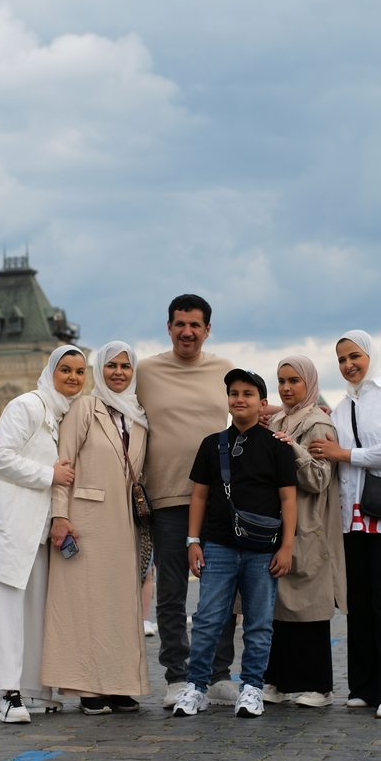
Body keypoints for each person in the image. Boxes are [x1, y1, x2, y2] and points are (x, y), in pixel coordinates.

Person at [0, 345, 84, 723]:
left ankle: (35, 691)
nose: (72, 377)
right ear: (50, 372)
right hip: (4, 528)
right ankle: (7, 695)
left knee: (35, 610)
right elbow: (0, 456)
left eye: (79, 371)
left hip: (34, 532)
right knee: (3, 612)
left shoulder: (61, 414)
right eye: (65, 370)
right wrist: (49, 475)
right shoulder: (27, 405)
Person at [310, 331, 381, 719]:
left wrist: (343, 453)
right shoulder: (343, 406)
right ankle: (364, 686)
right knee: (358, 604)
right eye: (341, 359)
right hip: (355, 519)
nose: (348, 365)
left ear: (370, 356)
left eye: (354, 356)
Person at [173, 368, 298, 719]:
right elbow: (198, 496)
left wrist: (286, 547)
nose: (239, 399)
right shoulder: (212, 444)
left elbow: (289, 500)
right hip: (218, 547)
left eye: (247, 393)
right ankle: (196, 687)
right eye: (233, 393)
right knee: (208, 619)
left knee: (258, 622)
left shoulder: (277, 446)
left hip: (264, 551)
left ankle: (252, 689)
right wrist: (193, 541)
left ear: (263, 403)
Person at [137, 295, 239, 708]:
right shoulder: (146, 371)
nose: (187, 332)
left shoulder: (224, 370)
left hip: (217, 500)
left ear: (207, 329)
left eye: (195, 325)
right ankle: (177, 677)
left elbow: (246, 413)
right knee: (172, 593)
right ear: (168, 327)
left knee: (221, 591)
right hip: (165, 497)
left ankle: (217, 675)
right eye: (180, 324)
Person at [40, 341, 151, 716]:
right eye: (110, 365)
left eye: (125, 366)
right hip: (83, 520)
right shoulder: (85, 406)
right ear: (98, 370)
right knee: (81, 607)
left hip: (123, 525)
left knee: (120, 607)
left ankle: (119, 685)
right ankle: (87, 687)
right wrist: (59, 516)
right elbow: (63, 462)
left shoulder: (138, 418)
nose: (118, 372)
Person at [262, 356, 346, 709]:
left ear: (308, 383)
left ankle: (318, 686)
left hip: (309, 525)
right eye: (281, 380)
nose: (286, 387)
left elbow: (320, 478)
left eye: (294, 380)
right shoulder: (278, 419)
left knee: (309, 607)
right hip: (277, 525)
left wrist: (291, 448)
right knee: (277, 607)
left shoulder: (318, 423)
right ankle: (278, 681)